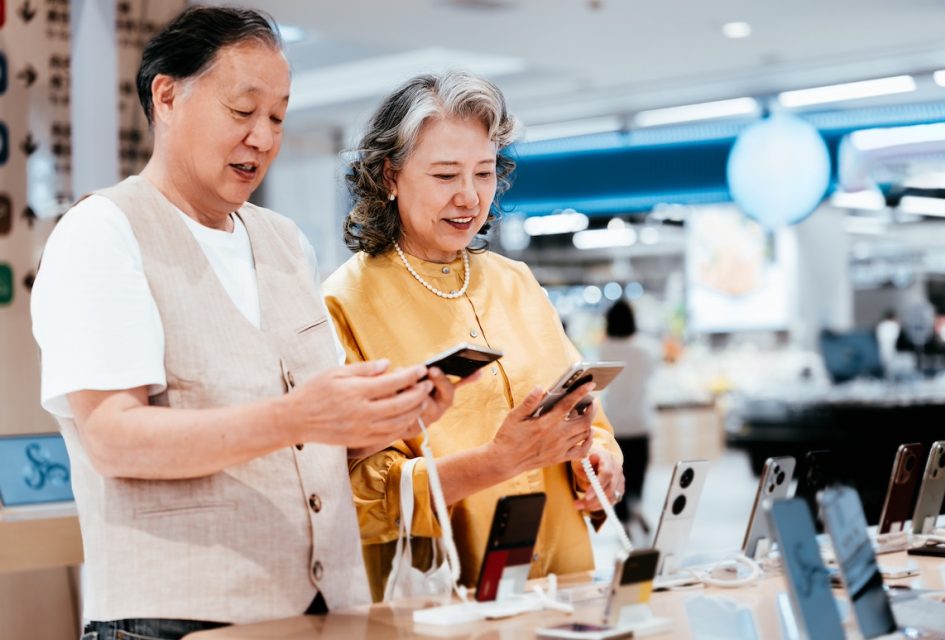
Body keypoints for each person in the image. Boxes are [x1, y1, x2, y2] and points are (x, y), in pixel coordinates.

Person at [31, 7, 457, 639]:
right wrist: (299, 416)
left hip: (326, 610)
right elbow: (112, 438)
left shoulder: (285, 242)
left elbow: (312, 445)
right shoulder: (103, 232)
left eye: (278, 117)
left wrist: (384, 418)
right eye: (242, 111)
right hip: (173, 619)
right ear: (167, 96)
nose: (262, 137)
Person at [323, 71, 625, 601]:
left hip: (562, 581)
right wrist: (496, 463)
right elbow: (356, 494)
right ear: (390, 176)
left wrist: (600, 459)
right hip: (441, 595)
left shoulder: (516, 282)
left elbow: (586, 413)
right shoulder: (344, 302)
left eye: (484, 173)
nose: (469, 197)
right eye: (445, 175)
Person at [596, 300, 659, 529]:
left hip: (614, 421)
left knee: (619, 470)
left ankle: (624, 520)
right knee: (639, 469)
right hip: (640, 419)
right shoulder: (647, 348)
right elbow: (652, 375)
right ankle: (638, 505)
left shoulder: (604, 348)